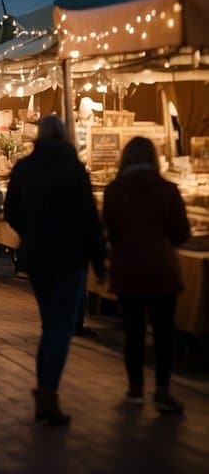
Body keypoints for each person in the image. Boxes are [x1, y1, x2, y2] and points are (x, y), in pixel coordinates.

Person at [4, 115, 105, 426]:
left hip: (36, 257)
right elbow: (89, 219)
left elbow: (11, 213)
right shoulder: (74, 170)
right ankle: (48, 392)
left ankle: (44, 389)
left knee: (50, 324)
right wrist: (99, 259)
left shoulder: (24, 168)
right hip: (70, 257)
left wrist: (30, 233)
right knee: (59, 327)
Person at [103, 137, 190, 414]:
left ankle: (136, 388)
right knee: (164, 333)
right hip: (162, 268)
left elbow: (109, 230)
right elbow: (181, 233)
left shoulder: (114, 191)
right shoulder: (168, 190)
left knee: (134, 331)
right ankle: (163, 390)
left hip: (127, 268)